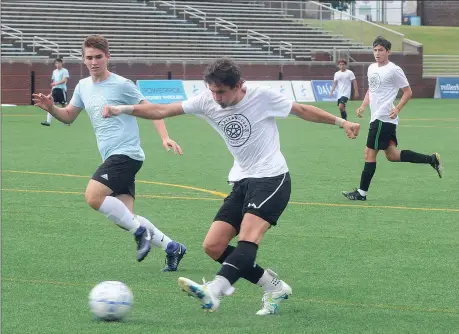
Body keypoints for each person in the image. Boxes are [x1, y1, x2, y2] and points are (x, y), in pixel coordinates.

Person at [103, 57, 361, 315]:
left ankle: (214, 291)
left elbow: (302, 110)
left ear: (239, 85)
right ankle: (274, 287)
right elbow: (161, 111)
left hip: (272, 178)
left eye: (221, 92)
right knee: (213, 246)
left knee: (249, 236)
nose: (216, 97)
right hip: (242, 179)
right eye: (212, 91)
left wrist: (342, 122)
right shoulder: (206, 100)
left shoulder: (261, 96)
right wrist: (122, 109)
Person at [32, 35, 187, 272]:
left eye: (98, 57)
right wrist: (51, 108)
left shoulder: (122, 84)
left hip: (126, 154)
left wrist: (165, 137)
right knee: (126, 217)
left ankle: (140, 233)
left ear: (108, 57)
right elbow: (69, 117)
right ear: (83, 60)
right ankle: (172, 247)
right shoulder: (83, 86)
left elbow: (152, 109)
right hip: (112, 157)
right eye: (89, 58)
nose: (93, 62)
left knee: (93, 196)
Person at [342, 36, 442, 201]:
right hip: (377, 118)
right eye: (375, 50)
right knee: (392, 155)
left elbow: (408, 91)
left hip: (383, 118)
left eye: (381, 50)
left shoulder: (394, 70)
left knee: (369, 154)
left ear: (388, 52)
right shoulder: (371, 68)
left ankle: (361, 193)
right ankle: (431, 159)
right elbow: (371, 90)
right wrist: (363, 106)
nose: (377, 53)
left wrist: (397, 109)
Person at [41, 58, 70, 126]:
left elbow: (64, 80)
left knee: (63, 105)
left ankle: (66, 121)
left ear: (61, 63)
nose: (57, 64)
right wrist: (51, 92)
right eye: (56, 63)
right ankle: (48, 121)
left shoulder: (65, 71)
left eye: (59, 63)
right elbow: (53, 83)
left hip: (61, 90)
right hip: (55, 90)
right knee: (50, 104)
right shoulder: (54, 71)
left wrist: (56, 84)